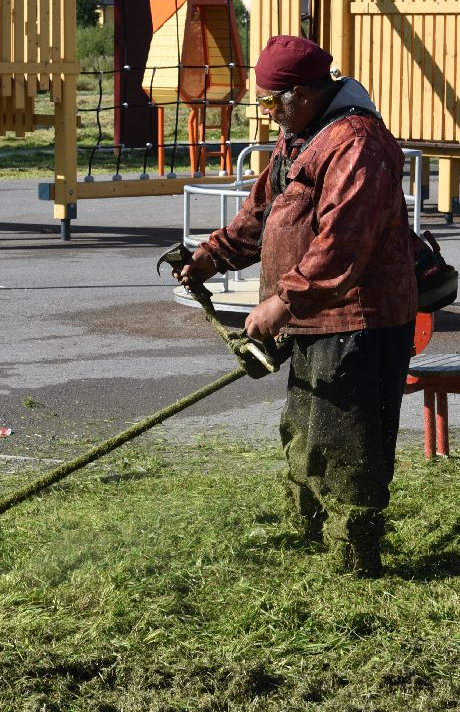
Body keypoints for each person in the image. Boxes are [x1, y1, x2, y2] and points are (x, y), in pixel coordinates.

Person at [177, 35, 415, 578]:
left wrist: (283, 303)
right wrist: (211, 257)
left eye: (270, 102)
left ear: (303, 94)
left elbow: (343, 242)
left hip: (358, 320)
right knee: (305, 430)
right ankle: (308, 535)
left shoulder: (357, 143)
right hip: (316, 317)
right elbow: (263, 211)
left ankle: (355, 557)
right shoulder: (302, 136)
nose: (266, 113)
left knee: (348, 443)